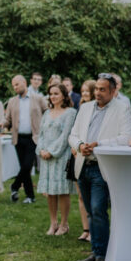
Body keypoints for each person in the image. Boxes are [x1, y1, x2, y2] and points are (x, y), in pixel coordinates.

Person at [68, 73, 131, 261]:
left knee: (98, 209)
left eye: (102, 89)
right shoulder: (86, 107)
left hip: (101, 166)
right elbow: (73, 134)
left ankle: (103, 254)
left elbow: (126, 137)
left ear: (113, 92)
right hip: (83, 164)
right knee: (90, 211)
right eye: (96, 89)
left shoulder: (122, 109)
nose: (97, 92)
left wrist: (98, 145)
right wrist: (80, 145)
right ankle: (96, 251)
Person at [37, 84, 78, 235]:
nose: (53, 96)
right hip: (45, 157)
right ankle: (53, 222)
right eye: (51, 94)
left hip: (60, 156)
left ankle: (64, 224)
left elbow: (66, 135)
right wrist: (41, 150)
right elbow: (40, 134)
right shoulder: (47, 113)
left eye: (56, 93)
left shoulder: (70, 113)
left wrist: (52, 152)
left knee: (62, 191)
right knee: (50, 191)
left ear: (64, 95)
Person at [1, 75, 48, 204]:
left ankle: (15, 186)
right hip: (18, 138)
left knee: (27, 165)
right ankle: (30, 196)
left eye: (17, 84)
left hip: (34, 137)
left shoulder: (38, 98)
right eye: (13, 85)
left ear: (24, 83)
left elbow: (47, 112)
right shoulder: (12, 101)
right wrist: (2, 124)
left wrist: (46, 127)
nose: (15, 87)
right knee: (24, 168)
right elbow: (8, 119)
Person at [74, 79, 96, 242]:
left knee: (91, 197)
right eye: (82, 91)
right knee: (81, 196)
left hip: (91, 156)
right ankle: (86, 229)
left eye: (87, 91)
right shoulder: (81, 108)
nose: (85, 94)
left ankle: (93, 229)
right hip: (77, 154)